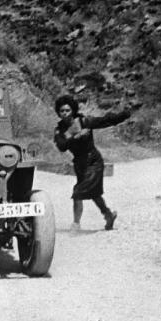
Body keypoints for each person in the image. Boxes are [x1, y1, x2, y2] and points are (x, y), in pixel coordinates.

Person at [53, 94, 130, 232]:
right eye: (62, 111)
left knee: (78, 191)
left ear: (73, 110)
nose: (64, 113)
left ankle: (76, 224)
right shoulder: (60, 129)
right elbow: (61, 146)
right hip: (79, 163)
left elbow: (104, 121)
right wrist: (76, 136)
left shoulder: (84, 121)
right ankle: (108, 215)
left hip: (93, 161)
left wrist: (124, 115)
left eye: (67, 110)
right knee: (93, 194)